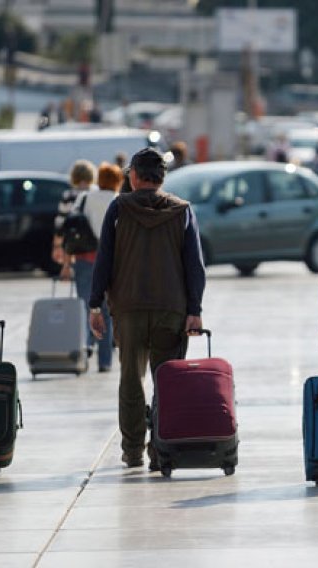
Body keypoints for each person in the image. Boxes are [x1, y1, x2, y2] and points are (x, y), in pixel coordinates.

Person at [88, 148, 206, 470]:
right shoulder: (182, 211)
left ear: (134, 177)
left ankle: (132, 450)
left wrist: (95, 304)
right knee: (166, 381)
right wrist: (194, 309)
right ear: (162, 177)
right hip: (172, 309)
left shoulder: (118, 209)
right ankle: (161, 448)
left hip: (129, 309)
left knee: (130, 380)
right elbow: (194, 265)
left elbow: (104, 261)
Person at [62, 162, 122, 373]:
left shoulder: (85, 197)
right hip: (111, 261)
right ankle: (105, 361)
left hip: (85, 258)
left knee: (86, 306)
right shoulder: (118, 201)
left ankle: (85, 347)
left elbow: (71, 226)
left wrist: (66, 262)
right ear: (117, 181)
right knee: (106, 312)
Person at [56, 160, 98, 361]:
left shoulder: (68, 196)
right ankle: (103, 339)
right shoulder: (98, 193)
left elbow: (63, 230)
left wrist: (65, 262)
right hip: (99, 253)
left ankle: (87, 340)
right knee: (103, 300)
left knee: (84, 300)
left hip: (79, 253)